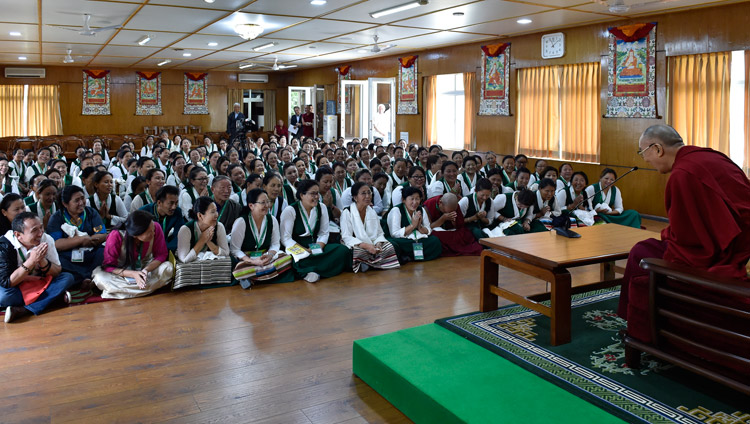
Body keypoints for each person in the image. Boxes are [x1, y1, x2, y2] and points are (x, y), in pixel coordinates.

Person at [619, 125, 750, 342]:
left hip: (733, 250)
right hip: (740, 238)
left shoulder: (682, 175)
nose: (645, 160)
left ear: (657, 148)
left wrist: (668, 237)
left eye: (643, 152)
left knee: (641, 252)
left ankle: (640, 330)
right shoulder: (711, 156)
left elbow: (689, 243)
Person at [0, 212, 76, 323]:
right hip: (17, 286)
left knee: (67, 278)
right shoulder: (4, 245)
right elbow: (7, 282)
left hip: (40, 282)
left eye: (41, 227)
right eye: (34, 230)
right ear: (18, 235)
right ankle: (54, 299)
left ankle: (24, 310)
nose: (40, 233)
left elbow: (57, 271)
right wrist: (32, 261)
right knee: (4, 296)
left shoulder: (46, 239)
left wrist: (42, 260)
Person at [279, 180, 351, 283]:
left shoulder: (321, 207)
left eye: (317, 193)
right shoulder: (290, 210)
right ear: (302, 195)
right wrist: (304, 250)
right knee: (297, 259)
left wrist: (318, 246)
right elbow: (285, 238)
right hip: (298, 247)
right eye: (312, 193)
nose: (316, 196)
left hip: (315, 245)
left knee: (342, 250)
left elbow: (324, 232)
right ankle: (308, 272)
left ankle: (313, 271)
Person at [92, 210, 173, 299]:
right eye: (149, 232)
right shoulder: (116, 235)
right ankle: (145, 289)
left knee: (168, 268)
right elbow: (108, 266)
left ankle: (123, 292)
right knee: (100, 278)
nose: (153, 233)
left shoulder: (155, 227)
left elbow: (161, 255)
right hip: (121, 273)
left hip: (145, 268)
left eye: (153, 230)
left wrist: (145, 270)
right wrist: (133, 274)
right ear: (135, 234)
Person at [230, 188, 294, 287]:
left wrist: (270, 255)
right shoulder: (241, 222)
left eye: (268, 202)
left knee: (287, 258)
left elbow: (275, 243)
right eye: (263, 203)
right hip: (247, 259)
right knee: (239, 267)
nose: (267, 205)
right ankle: (270, 275)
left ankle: (252, 278)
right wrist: (253, 261)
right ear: (251, 205)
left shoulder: (272, 219)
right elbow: (235, 249)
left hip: (265, 256)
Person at [46, 185, 106, 287]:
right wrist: (81, 240)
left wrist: (90, 240)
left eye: (82, 198)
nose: (81, 203)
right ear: (65, 204)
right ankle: (89, 277)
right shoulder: (57, 218)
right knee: (56, 260)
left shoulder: (91, 213)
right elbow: (56, 243)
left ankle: (81, 279)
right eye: (76, 200)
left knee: (103, 251)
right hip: (69, 257)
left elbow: (101, 234)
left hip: (90, 253)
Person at [340, 182, 400, 273]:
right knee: (354, 252)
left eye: (369, 193)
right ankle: (373, 263)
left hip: (372, 243)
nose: (367, 196)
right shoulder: (347, 212)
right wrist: (367, 246)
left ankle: (367, 264)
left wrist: (378, 244)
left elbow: (379, 233)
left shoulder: (371, 211)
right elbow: (346, 236)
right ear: (355, 197)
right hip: (357, 245)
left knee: (391, 246)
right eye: (363, 193)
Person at [386, 186, 442, 263]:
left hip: (418, 238)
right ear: (403, 200)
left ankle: (408, 256)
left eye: (417, 199)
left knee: (435, 241)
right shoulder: (396, 210)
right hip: (403, 240)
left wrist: (419, 227)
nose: (415, 202)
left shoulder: (421, 209)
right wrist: (412, 225)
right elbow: (394, 234)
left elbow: (428, 229)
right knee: (395, 245)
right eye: (412, 199)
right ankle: (407, 256)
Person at [176, 196, 230, 264]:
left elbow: (226, 253)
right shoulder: (186, 230)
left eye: (216, 210)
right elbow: (184, 260)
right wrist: (202, 240)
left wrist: (208, 242)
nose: (217, 215)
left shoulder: (219, 226)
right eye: (212, 212)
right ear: (200, 216)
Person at [140, 185, 184, 253]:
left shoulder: (177, 212)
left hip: (166, 248)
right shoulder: (143, 212)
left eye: (176, 203)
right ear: (159, 202)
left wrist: (165, 250)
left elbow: (179, 235)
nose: (174, 207)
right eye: (171, 203)